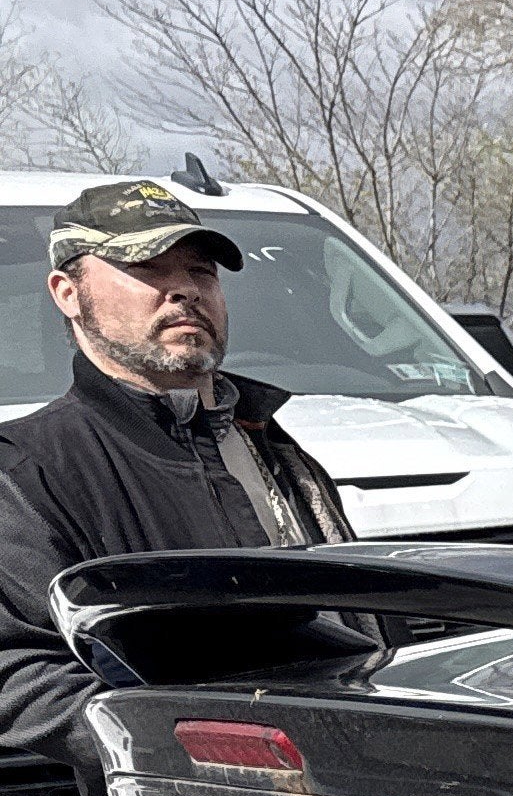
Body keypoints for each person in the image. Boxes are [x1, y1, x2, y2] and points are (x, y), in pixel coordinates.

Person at [0, 178, 353, 755]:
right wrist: (209, 749)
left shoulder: (271, 441)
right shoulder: (24, 474)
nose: (185, 290)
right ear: (68, 292)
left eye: (201, 271)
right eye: (148, 269)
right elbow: (17, 675)